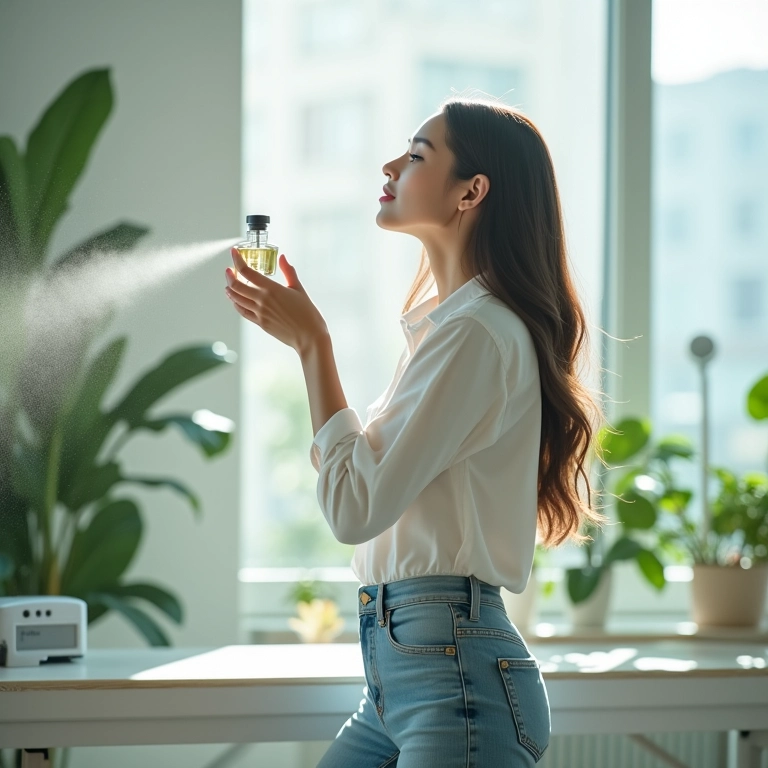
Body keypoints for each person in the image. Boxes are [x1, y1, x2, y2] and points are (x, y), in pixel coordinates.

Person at [224, 96, 609, 767]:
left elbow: (353, 507)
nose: (391, 164)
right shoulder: (450, 330)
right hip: (409, 677)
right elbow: (361, 491)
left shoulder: (476, 334)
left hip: (455, 680)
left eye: (418, 154)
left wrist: (314, 344)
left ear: (472, 190)